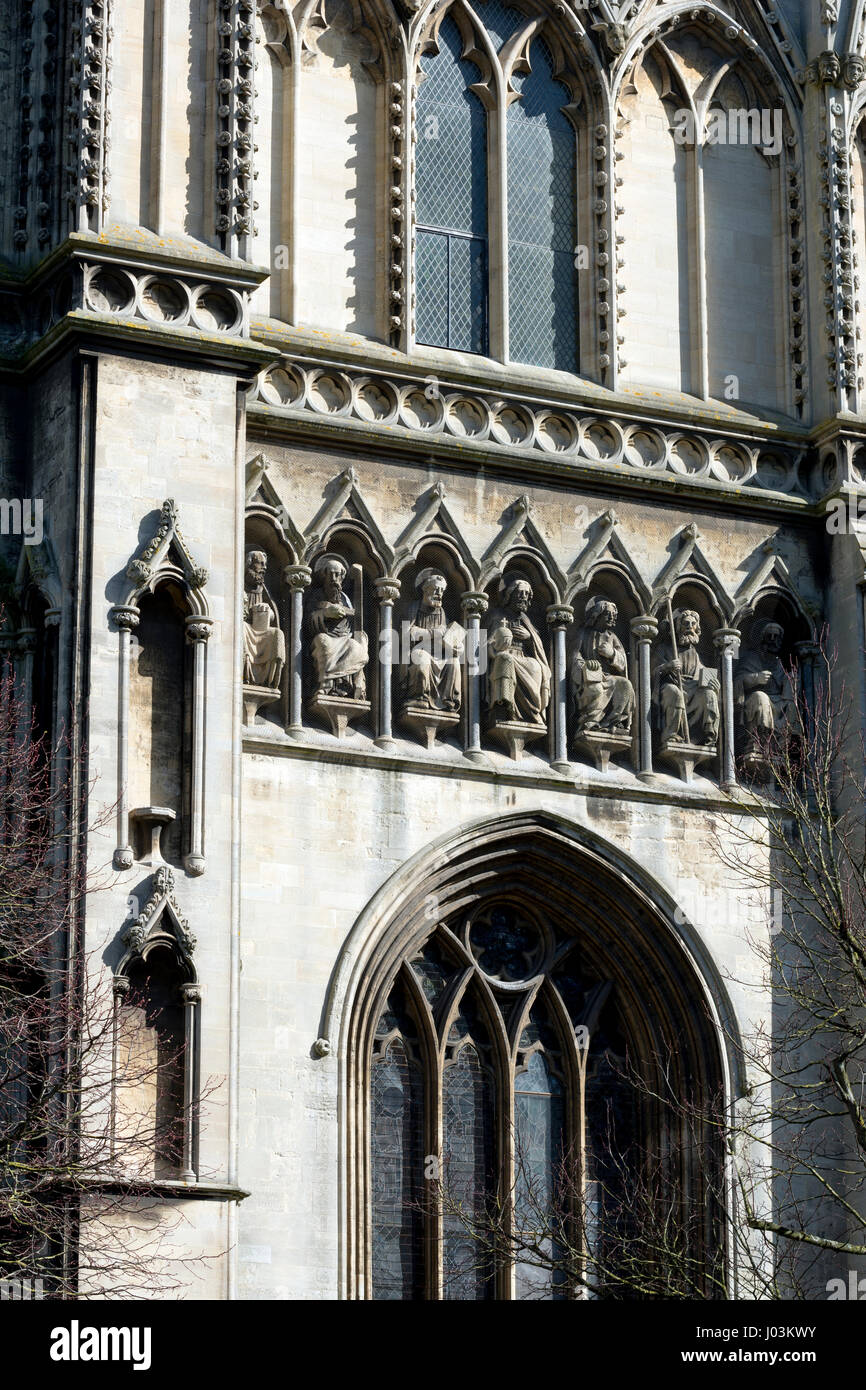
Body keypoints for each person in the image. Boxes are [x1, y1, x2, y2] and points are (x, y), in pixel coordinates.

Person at [485, 574, 550, 725]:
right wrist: (498, 641)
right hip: (502, 655)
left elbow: (538, 647)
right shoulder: (497, 616)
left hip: (524, 657)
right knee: (505, 659)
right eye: (520, 593)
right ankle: (503, 707)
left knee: (536, 667)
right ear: (509, 595)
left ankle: (532, 713)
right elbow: (485, 644)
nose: (523, 597)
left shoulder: (527, 620)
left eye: (527, 594)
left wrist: (529, 638)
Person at [652, 608, 719, 745]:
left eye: (693, 624)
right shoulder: (665, 648)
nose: (690, 627)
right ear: (677, 627)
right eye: (686, 624)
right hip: (672, 686)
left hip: (692, 689)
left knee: (709, 694)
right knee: (675, 693)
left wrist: (714, 684)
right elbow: (652, 673)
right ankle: (670, 734)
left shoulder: (695, 653)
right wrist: (667, 666)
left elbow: (704, 674)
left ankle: (708, 736)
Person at [307, 553, 368, 698]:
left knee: (355, 646)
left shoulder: (345, 599)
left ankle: (346, 686)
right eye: (331, 575)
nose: (334, 579)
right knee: (323, 642)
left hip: (345, 637)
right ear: (324, 576)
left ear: (342, 577)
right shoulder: (316, 595)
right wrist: (325, 613)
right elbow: (308, 619)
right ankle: (325, 684)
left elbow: (355, 621)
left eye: (338, 575)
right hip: (325, 636)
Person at [402, 568, 464, 711]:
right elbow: (407, 633)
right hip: (419, 649)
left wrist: (457, 646)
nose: (439, 594)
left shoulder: (442, 612)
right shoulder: (414, 608)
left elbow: (449, 635)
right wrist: (434, 633)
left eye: (442, 591)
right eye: (436, 590)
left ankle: (449, 700)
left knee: (454, 662)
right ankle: (419, 697)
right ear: (425, 589)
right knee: (422, 659)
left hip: (439, 651)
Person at [571, 595, 634, 734]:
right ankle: (590, 722)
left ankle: (613, 722)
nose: (612, 618)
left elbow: (623, 662)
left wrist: (612, 654)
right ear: (597, 616)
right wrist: (585, 666)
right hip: (589, 678)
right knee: (596, 689)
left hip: (608, 677)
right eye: (608, 614)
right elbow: (575, 656)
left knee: (625, 685)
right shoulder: (584, 633)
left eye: (614, 615)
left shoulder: (612, 637)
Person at [243, 549, 285, 688]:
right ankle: (246, 674)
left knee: (277, 634)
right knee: (241, 628)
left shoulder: (263, 589)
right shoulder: (239, 586)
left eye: (265, 564)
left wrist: (267, 611)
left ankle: (270, 680)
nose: (264, 567)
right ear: (249, 564)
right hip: (246, 628)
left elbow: (274, 616)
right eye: (260, 564)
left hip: (261, 630)